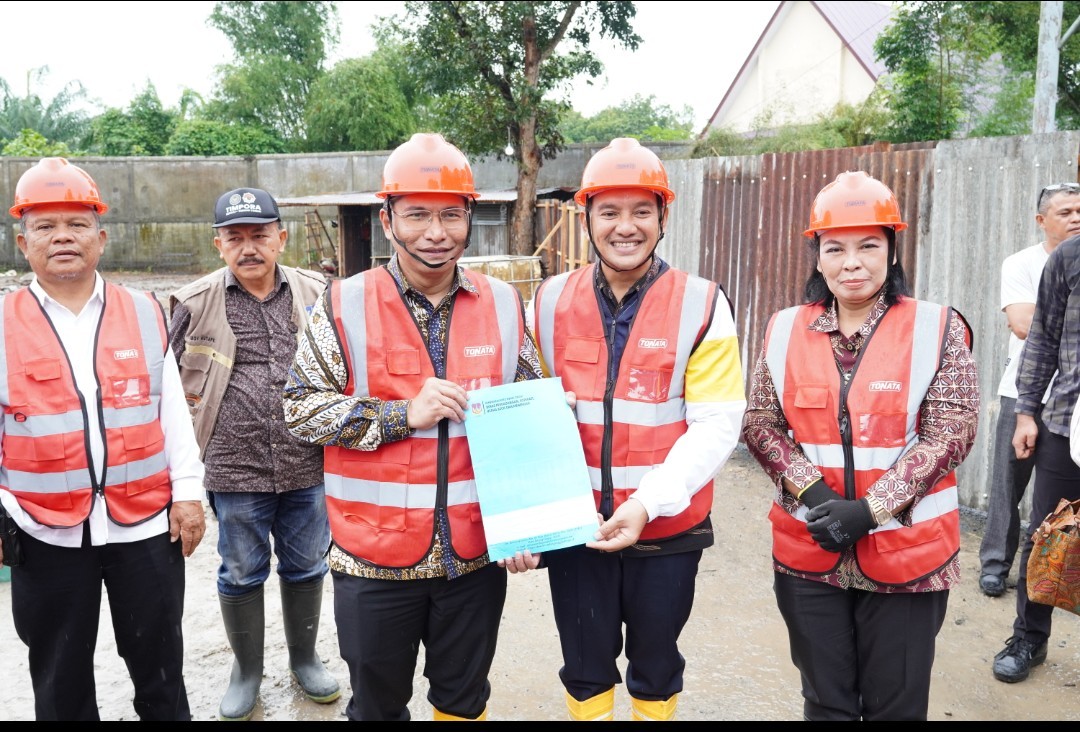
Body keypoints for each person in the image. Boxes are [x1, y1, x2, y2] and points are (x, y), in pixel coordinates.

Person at [282, 132, 545, 721]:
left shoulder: (504, 305)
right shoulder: (343, 303)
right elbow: (300, 408)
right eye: (418, 214)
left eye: (451, 215)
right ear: (388, 218)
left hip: (473, 558)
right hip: (372, 559)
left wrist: (527, 524)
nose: (435, 232)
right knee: (376, 706)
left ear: (469, 218)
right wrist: (403, 415)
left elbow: (527, 418)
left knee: (462, 700)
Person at [740, 170, 979, 721]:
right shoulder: (783, 329)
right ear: (817, 258)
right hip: (809, 552)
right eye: (836, 248)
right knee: (825, 701)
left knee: (896, 705)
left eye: (869, 246)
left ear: (893, 251)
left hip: (908, 554)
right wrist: (818, 495)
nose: (852, 262)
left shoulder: (937, 327)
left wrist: (870, 510)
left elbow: (953, 429)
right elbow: (760, 422)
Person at [528, 138, 747, 722]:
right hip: (578, 529)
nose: (626, 227)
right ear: (587, 218)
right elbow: (524, 415)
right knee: (584, 664)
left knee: (655, 663)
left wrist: (649, 502)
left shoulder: (702, 304)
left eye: (641, 212)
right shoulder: (546, 303)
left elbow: (717, 423)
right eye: (609, 212)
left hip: (667, 528)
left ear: (663, 217)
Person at [0, 157, 206, 720]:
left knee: (162, 672)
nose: (62, 236)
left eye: (77, 224)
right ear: (23, 242)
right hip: (44, 531)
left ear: (102, 236)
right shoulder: (2, 322)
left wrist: (188, 492)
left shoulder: (143, 312)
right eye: (45, 226)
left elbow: (171, 412)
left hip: (143, 526)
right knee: (60, 682)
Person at [168, 187, 339, 721]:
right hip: (232, 467)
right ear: (219, 244)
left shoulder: (320, 293)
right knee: (241, 571)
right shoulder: (192, 303)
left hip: (307, 464)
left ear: (280, 239)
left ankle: (305, 659)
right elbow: (165, 393)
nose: (249, 248)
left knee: (307, 563)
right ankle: (247, 671)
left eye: (260, 235)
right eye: (235, 237)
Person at [993, 182, 1080, 683]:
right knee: (1047, 535)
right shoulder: (1067, 258)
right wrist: (1027, 413)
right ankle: (1029, 637)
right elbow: (1041, 341)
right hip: (1067, 423)